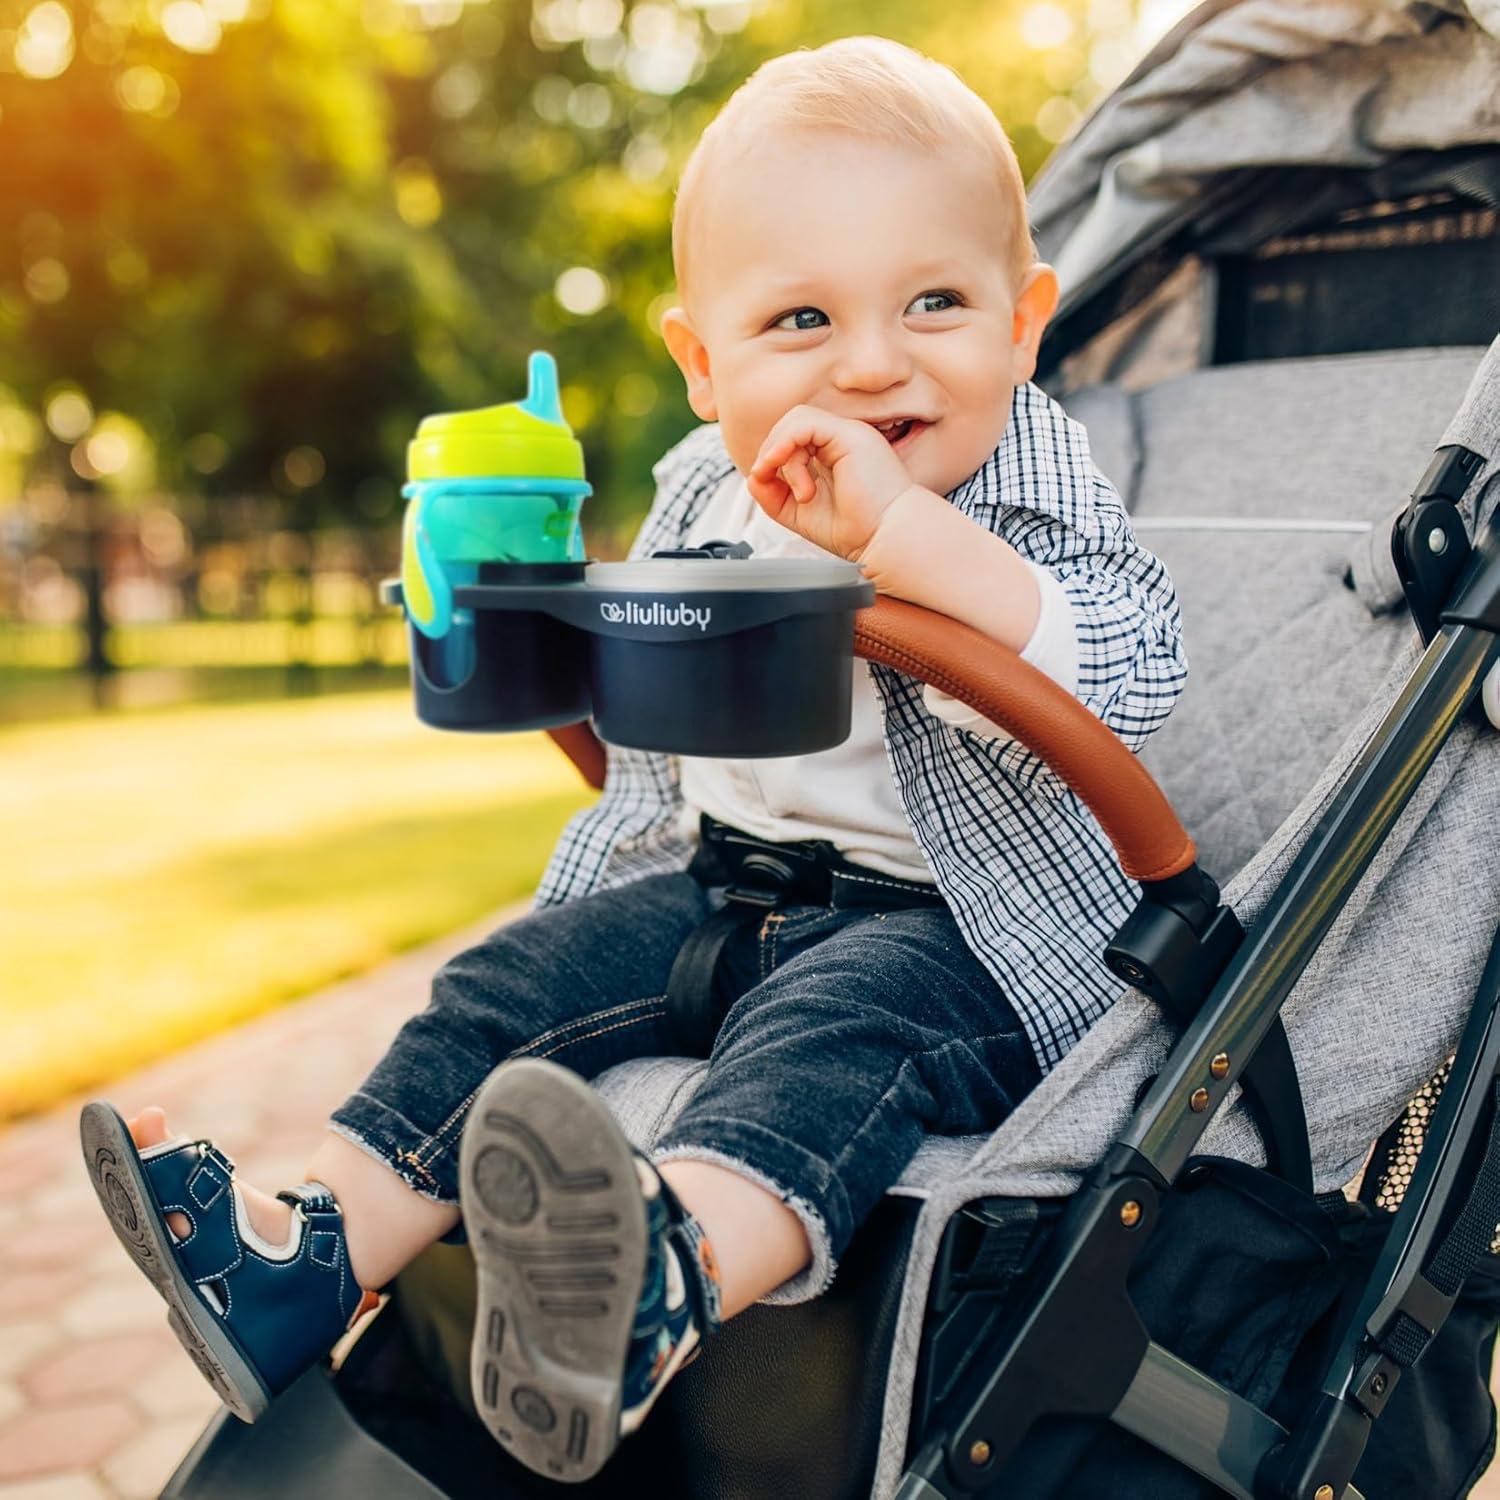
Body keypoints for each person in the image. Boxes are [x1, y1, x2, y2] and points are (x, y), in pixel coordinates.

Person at [79, 34, 1187, 1485]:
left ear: (1025, 322)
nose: (873, 362)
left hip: (948, 936)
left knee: (832, 1041)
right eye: (801, 317)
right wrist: (508, 617)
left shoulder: (1030, 481)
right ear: (702, 364)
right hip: (720, 888)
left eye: (936, 302)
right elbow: (641, 685)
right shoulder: (702, 490)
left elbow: (1132, 671)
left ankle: (656, 1286)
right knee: (504, 987)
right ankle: (303, 1264)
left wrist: (903, 542)